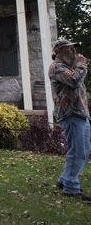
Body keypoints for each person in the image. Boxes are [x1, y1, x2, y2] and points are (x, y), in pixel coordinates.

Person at [49, 39, 90, 202]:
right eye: (69, 49)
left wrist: (79, 66)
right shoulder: (57, 67)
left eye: (74, 49)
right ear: (59, 51)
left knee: (85, 150)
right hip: (70, 114)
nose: (73, 52)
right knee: (77, 150)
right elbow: (74, 81)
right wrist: (82, 65)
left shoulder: (70, 67)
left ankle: (65, 179)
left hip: (81, 114)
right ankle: (71, 188)